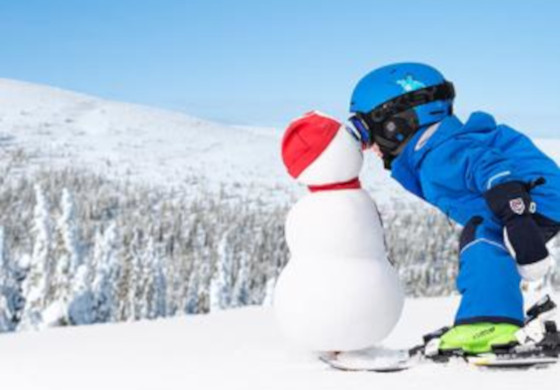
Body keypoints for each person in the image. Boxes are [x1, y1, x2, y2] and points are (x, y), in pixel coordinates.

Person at [348, 62, 560, 354]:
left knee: (483, 239)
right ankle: (489, 314)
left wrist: (515, 213)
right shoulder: (432, 149)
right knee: (483, 236)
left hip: (533, 200)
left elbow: (490, 167)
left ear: (396, 122)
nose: (368, 146)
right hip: (531, 199)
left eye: (365, 130)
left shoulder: (440, 152)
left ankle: (489, 322)